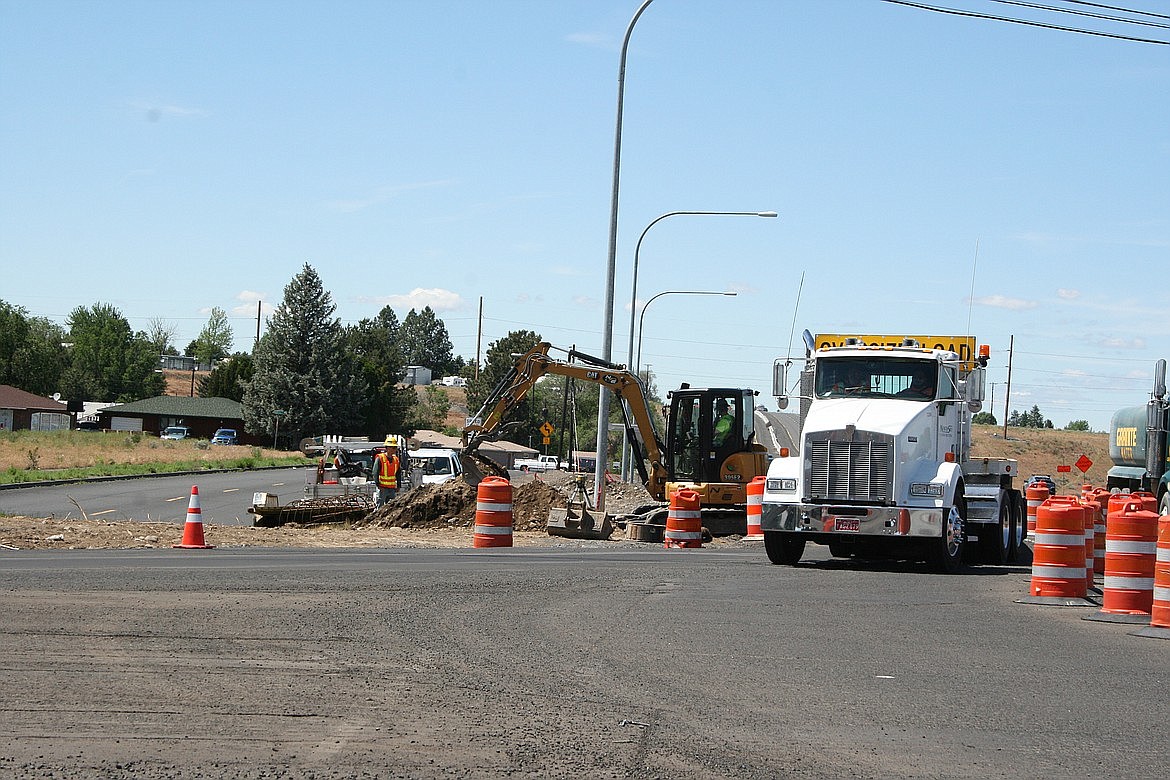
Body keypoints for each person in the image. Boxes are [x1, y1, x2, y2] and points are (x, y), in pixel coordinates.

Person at [372, 439, 401, 507]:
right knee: (380, 506)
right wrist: (378, 485)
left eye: (395, 447)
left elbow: (398, 473)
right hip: (382, 488)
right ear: (387, 448)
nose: (395, 449)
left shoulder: (396, 459)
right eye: (393, 447)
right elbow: (375, 472)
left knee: (391, 507)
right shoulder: (380, 458)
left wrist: (398, 486)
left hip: (392, 488)